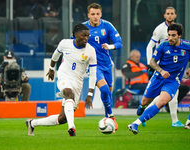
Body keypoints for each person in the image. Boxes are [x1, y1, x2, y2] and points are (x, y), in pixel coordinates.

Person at [26, 23, 97, 136]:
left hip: (77, 82)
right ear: (75, 34)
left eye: (88, 36)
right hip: (64, 75)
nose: (86, 39)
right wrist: (51, 68)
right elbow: (55, 55)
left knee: (62, 118)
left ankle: (32, 123)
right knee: (69, 93)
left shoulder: (91, 51)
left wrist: (90, 93)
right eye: (84, 35)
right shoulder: (65, 43)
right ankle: (72, 127)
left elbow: (93, 74)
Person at [127, 23, 190, 134]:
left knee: (161, 102)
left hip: (173, 81)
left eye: (173, 35)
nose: (170, 38)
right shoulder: (163, 45)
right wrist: (161, 71)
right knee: (145, 101)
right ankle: (142, 107)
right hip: (158, 77)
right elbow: (152, 61)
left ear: (179, 36)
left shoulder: (187, 46)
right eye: (169, 35)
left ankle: (135, 124)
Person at [83, 3, 123, 131]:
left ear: (101, 14)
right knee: (104, 90)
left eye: (97, 14)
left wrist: (110, 46)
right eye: (93, 14)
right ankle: (111, 115)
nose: (95, 17)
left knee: (108, 93)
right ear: (88, 14)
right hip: (93, 65)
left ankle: (108, 117)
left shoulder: (107, 26)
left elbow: (119, 42)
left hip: (107, 64)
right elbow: (74, 43)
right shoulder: (83, 27)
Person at [145, 6, 185, 127]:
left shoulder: (176, 29)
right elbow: (149, 46)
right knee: (168, 95)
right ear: (164, 15)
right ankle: (173, 120)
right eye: (167, 13)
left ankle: (174, 120)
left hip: (173, 66)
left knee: (171, 94)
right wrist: (150, 63)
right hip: (162, 66)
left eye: (172, 13)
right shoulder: (160, 29)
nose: (170, 16)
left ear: (175, 15)